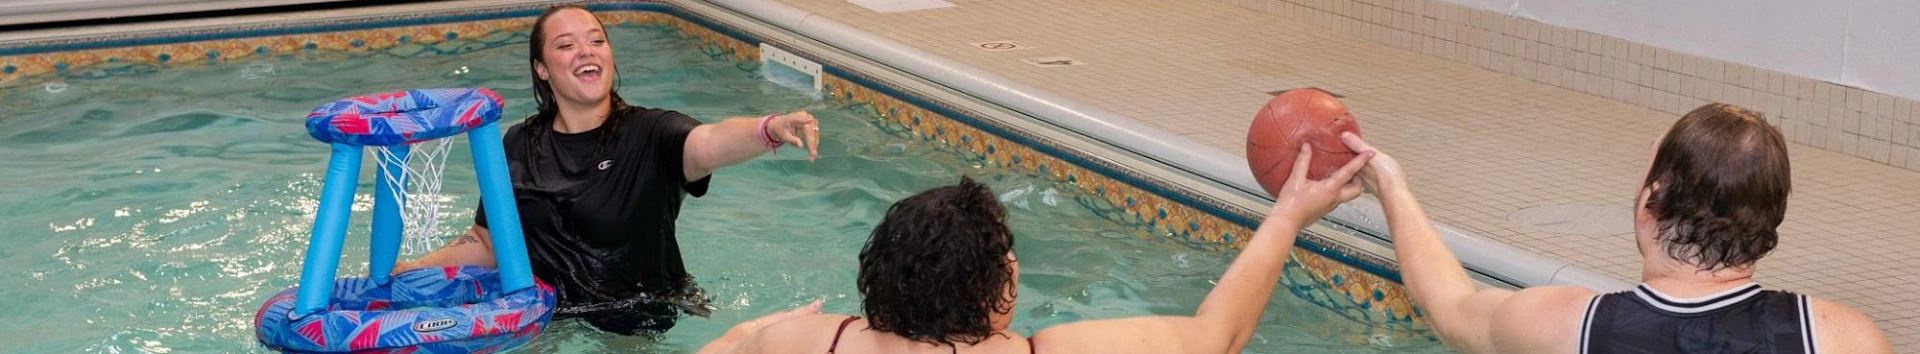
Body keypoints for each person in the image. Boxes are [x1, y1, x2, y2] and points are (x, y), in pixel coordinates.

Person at [698, 142, 1376, 354]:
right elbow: (1217, 334)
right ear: (998, 286)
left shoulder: (810, 341)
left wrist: (750, 328)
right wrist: (1288, 214)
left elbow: (726, 349)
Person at [391, 5, 824, 335]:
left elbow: (710, 142)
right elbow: (489, 240)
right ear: (542, 70)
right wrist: (417, 268)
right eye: (566, 45)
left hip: (639, 324)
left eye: (597, 41)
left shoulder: (651, 134)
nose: (585, 51)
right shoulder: (520, 142)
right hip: (552, 318)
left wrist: (770, 128)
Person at [1338, 103, 1893, 353]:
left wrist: (1395, 189)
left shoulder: (1566, 326)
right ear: (1772, 216)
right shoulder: (1840, 338)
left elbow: (1451, 308)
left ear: (1649, 204)